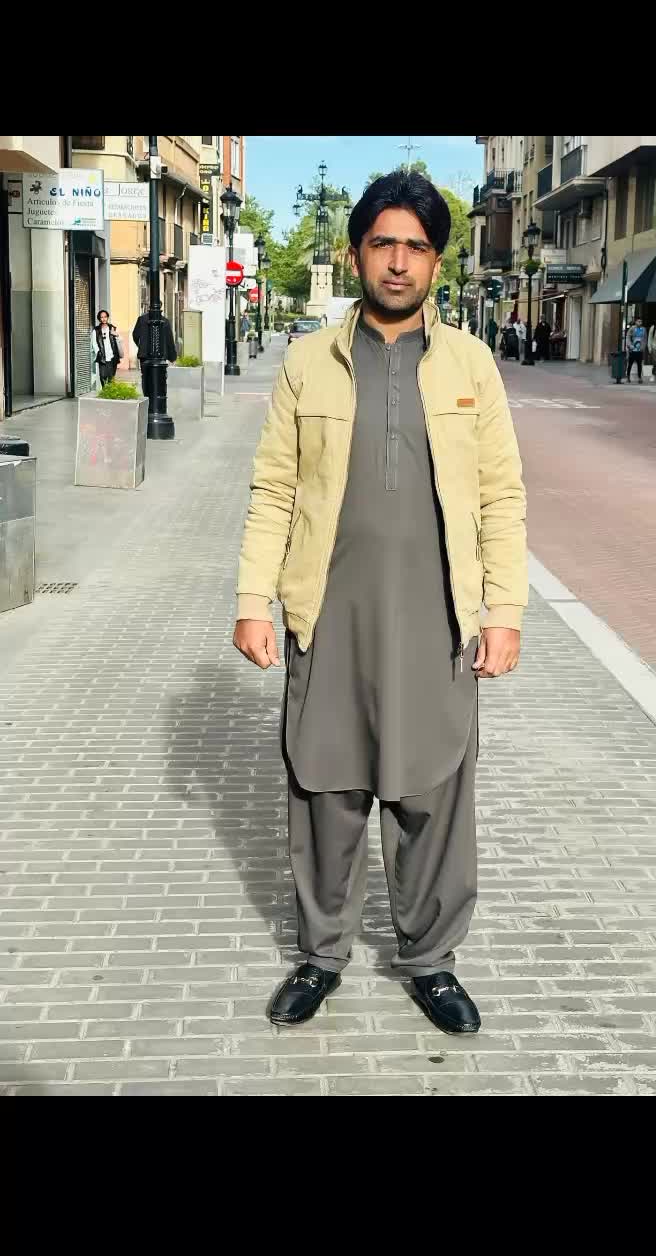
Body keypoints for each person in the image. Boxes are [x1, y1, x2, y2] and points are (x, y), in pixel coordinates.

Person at [234, 171, 527, 1034]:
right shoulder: (307, 362)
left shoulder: (471, 364)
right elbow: (275, 489)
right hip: (330, 614)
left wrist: (504, 613)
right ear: (356, 251)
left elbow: (503, 495)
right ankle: (320, 955)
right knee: (324, 788)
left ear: (437, 262)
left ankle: (430, 960)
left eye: (417, 247)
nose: (399, 262)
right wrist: (254, 599)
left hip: (437, 619)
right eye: (383, 243)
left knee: (433, 791)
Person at [132, 310, 177, 396]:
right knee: (160, 376)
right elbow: (169, 340)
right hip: (160, 355)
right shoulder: (165, 321)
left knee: (145, 376)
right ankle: (157, 395)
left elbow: (135, 335)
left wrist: (141, 346)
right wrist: (172, 357)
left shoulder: (142, 319)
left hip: (144, 354)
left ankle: (147, 396)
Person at [92, 310, 123, 386]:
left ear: (107, 317)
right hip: (102, 357)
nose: (104, 319)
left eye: (105, 317)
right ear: (99, 319)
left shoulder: (112, 328)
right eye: (101, 317)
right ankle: (104, 390)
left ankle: (110, 392)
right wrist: (98, 352)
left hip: (112, 356)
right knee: (102, 376)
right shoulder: (96, 330)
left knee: (111, 378)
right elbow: (94, 343)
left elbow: (120, 340)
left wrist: (116, 334)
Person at [625, 316, 647, 382]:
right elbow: (628, 337)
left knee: (639, 364)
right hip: (632, 349)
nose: (640, 323)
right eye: (638, 321)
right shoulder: (632, 329)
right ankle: (628, 377)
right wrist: (630, 345)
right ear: (635, 322)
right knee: (630, 364)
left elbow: (645, 339)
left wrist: (643, 347)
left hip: (640, 350)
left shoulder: (643, 329)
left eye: (641, 321)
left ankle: (639, 377)